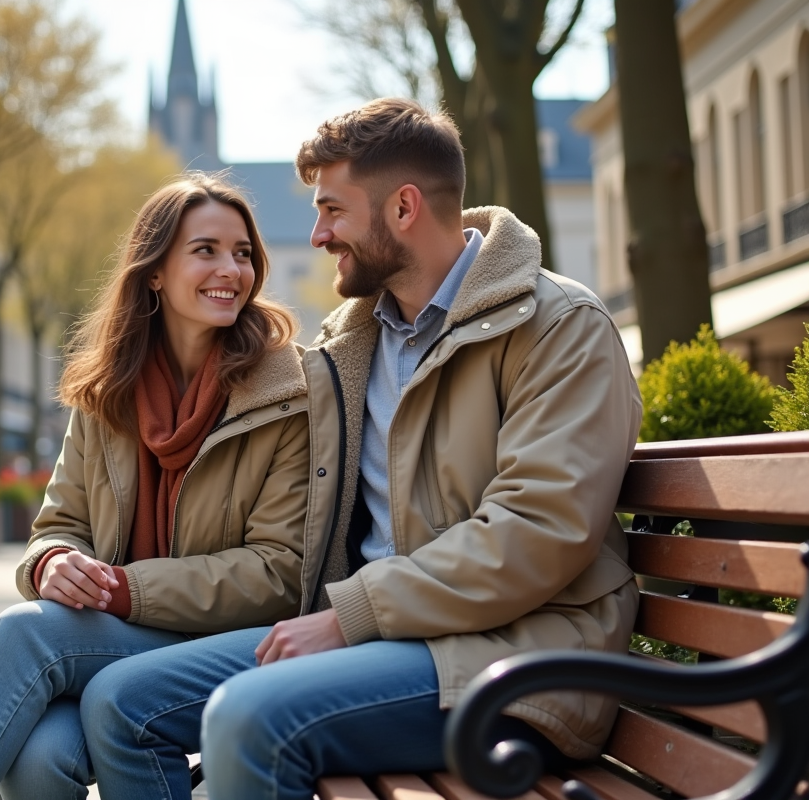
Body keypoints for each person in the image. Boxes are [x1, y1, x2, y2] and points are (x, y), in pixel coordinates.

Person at [77, 98, 642, 800]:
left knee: (249, 719)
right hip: (380, 640)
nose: (316, 235)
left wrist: (352, 616)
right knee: (119, 704)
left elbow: (539, 532)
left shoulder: (559, 328)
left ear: (403, 208)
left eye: (333, 211)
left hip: (521, 656)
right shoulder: (351, 346)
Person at [0, 173, 311, 800]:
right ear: (154, 272)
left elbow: (279, 572)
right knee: (38, 762)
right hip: (118, 635)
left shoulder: (286, 394)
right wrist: (53, 565)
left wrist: (126, 590)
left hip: (229, 638)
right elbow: (58, 526)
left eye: (243, 253)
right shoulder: (104, 395)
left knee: (24, 632)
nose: (231, 269)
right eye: (205, 250)